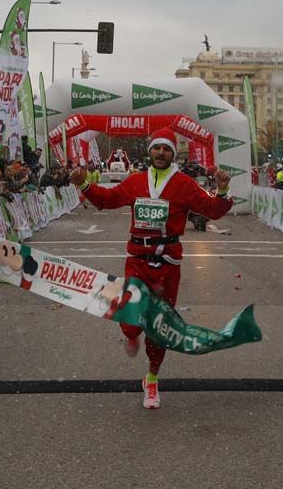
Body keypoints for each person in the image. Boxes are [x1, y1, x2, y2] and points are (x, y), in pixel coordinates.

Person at [71, 127, 232, 409]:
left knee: (159, 327)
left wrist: (223, 190)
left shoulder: (184, 184)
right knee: (133, 322)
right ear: (150, 151)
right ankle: (131, 333)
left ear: (172, 153)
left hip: (168, 262)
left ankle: (152, 379)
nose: (161, 153)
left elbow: (212, 210)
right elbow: (107, 200)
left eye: (166, 149)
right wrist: (84, 185)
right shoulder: (135, 182)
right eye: (157, 148)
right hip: (138, 259)